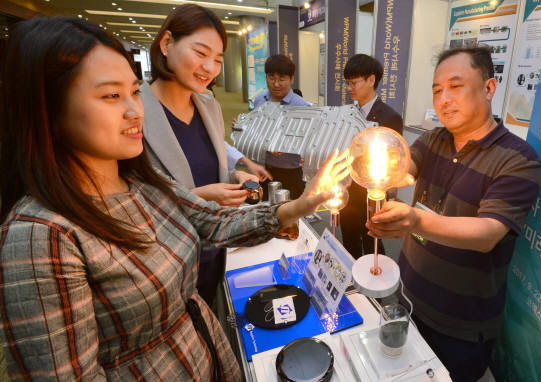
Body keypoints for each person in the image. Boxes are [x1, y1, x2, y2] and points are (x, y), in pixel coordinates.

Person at [0, 16, 348, 380]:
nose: (136, 110)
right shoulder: (41, 237)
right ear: (49, 111)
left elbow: (211, 220)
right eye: (111, 96)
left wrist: (308, 201)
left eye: (134, 92)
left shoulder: (138, 182)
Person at [367, 46, 541, 381]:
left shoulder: (518, 159)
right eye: (436, 90)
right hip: (406, 295)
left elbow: (487, 234)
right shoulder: (434, 139)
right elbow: (405, 169)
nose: (444, 99)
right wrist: (382, 172)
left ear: (489, 88)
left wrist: (416, 220)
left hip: (461, 323)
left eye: (456, 86)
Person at [142, 4, 264, 305]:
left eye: (218, 59)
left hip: (214, 250)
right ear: (167, 43)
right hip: (168, 265)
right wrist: (202, 197)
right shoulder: (135, 113)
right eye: (200, 53)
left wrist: (235, 176)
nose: (209, 67)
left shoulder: (208, 105)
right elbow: (134, 204)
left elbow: (209, 162)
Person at [341, 53, 404, 259]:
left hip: (371, 192)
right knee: (348, 237)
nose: (350, 88)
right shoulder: (348, 113)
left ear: (371, 80)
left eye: (354, 83)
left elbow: (392, 161)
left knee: (372, 239)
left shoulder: (389, 117)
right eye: (347, 83)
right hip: (347, 189)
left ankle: (374, 283)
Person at [231, 54, 312, 200]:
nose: (276, 84)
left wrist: (286, 146)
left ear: (291, 79)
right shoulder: (259, 100)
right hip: (263, 168)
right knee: (266, 211)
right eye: (271, 78)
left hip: (291, 171)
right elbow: (256, 129)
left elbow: (308, 140)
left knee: (291, 214)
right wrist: (241, 130)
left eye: (282, 79)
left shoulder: (301, 106)